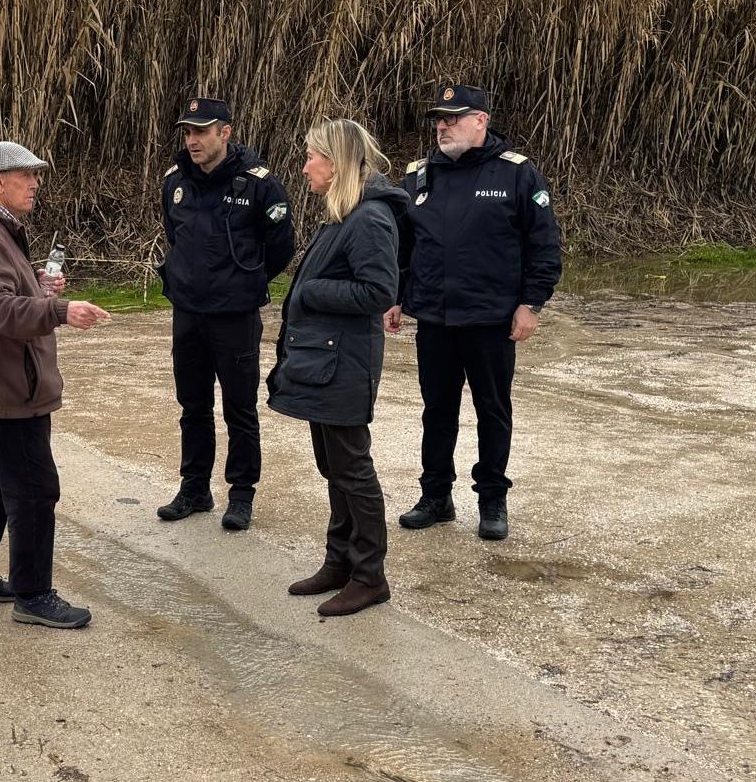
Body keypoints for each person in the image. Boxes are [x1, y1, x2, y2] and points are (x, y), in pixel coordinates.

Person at [384, 84, 562, 540]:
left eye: (453, 118)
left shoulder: (518, 176)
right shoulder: (420, 176)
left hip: (491, 319)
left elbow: (544, 247)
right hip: (436, 320)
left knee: (492, 410)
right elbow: (405, 247)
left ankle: (491, 500)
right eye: (439, 120)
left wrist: (531, 303)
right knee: (436, 410)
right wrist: (398, 296)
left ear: (480, 121)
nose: (442, 126)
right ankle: (436, 496)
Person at [0, 141, 111, 630]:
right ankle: (34, 595)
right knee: (35, 489)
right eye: (26, 175)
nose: (36, 183)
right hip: (9, 385)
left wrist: (35, 286)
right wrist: (60, 310)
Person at [268, 119, 408, 617]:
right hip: (324, 361)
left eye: (313, 157)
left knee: (352, 467)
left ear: (339, 162)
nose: (305, 167)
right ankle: (339, 562)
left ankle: (370, 576)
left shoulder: (369, 219)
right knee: (334, 467)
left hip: (344, 364)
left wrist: (310, 291)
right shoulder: (342, 214)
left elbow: (377, 292)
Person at [155, 97, 296, 531]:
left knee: (240, 408)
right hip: (189, 314)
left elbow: (281, 247)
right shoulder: (175, 181)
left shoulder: (259, 185)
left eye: (202, 131)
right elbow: (173, 233)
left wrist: (245, 282)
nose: (192, 140)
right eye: (188, 132)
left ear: (226, 133)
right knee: (192, 405)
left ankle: (241, 494)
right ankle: (195, 487)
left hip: (234, 316)